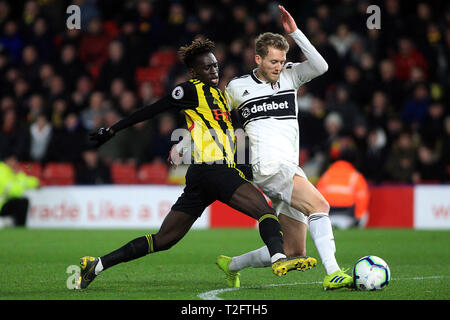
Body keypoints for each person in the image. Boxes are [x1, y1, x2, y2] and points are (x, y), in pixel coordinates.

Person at [75, 38, 312, 290]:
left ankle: (96, 264)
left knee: (164, 239)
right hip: (213, 169)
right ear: (194, 72)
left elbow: (204, 127)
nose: (214, 71)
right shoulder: (190, 90)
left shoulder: (221, 98)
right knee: (264, 212)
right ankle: (279, 258)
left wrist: (182, 144)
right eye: (207, 67)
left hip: (205, 175)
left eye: (215, 66)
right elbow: (153, 109)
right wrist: (112, 129)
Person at [172, 5, 352, 290]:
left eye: (282, 61)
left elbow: (321, 66)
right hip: (267, 167)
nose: (279, 67)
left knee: (293, 251)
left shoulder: (291, 76)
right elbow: (212, 118)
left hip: (289, 167)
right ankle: (333, 273)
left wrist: (295, 33)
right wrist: (183, 141)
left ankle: (231, 265)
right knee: (320, 205)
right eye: (273, 62)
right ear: (258, 59)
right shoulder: (238, 87)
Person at [316, 146, 370, 229]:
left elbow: (316, 196)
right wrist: (358, 218)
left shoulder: (326, 175)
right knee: (365, 215)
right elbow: (362, 198)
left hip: (327, 215)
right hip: (347, 216)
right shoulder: (355, 176)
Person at [0, 154, 39, 228]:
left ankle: (9, 222)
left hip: (4, 203)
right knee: (21, 202)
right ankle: (18, 226)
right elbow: (13, 190)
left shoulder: (10, 171)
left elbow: (24, 180)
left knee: (23, 201)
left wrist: (36, 182)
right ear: (7, 160)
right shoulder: (2, 171)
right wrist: (18, 177)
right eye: (13, 160)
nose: (15, 163)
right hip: (2, 204)